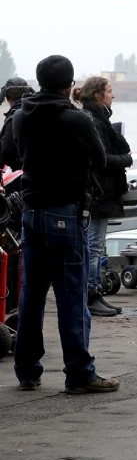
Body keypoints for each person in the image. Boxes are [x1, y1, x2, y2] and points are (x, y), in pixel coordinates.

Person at [12, 54, 119, 393]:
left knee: (32, 296)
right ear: (69, 84)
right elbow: (102, 160)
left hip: (30, 212)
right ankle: (79, 373)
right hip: (65, 213)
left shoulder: (20, 117)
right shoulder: (76, 119)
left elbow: (15, 156)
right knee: (72, 295)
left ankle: (27, 370)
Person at [75, 77, 132, 316]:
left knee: (95, 245)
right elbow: (102, 159)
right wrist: (126, 160)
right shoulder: (93, 121)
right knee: (93, 246)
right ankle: (90, 294)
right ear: (98, 95)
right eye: (109, 91)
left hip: (101, 192)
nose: (113, 95)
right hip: (98, 193)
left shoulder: (98, 119)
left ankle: (94, 291)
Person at [0, 77, 35, 314]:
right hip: (33, 187)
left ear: (9, 97)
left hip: (16, 188)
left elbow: (5, 152)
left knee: (11, 246)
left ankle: (10, 300)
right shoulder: (35, 112)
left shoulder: (15, 117)